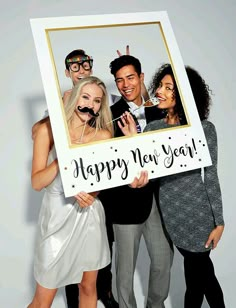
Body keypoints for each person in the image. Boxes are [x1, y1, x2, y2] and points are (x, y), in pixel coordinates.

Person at [32, 49, 119, 308]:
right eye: (85, 97)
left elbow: (102, 181)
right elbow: (37, 182)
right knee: (43, 298)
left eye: (96, 101)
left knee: (88, 287)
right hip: (57, 217)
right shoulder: (48, 129)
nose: (90, 105)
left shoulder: (102, 136)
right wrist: (62, 159)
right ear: (73, 97)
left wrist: (93, 194)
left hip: (89, 217)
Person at [143, 63, 225, 308]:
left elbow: (210, 175)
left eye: (169, 87)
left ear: (185, 95)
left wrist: (219, 221)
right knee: (202, 275)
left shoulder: (203, 129)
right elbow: (149, 174)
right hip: (172, 215)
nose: (160, 90)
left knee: (197, 278)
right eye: (160, 85)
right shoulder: (152, 129)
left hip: (199, 214)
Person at [99, 55, 174, 308]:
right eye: (119, 80)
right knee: (124, 274)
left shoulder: (161, 109)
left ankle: (155, 305)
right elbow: (104, 162)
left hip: (158, 201)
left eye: (130, 77)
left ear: (141, 78)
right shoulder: (109, 115)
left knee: (163, 261)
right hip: (124, 203)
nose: (125, 84)